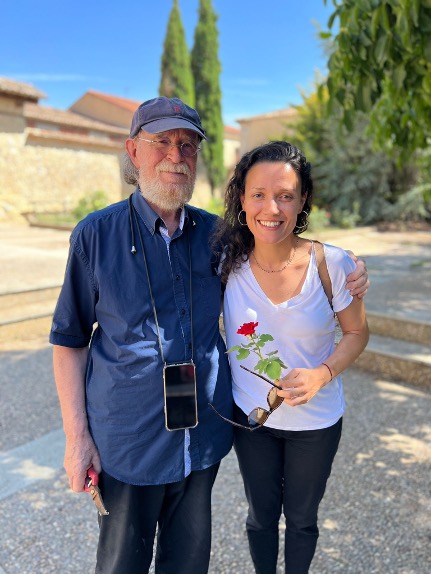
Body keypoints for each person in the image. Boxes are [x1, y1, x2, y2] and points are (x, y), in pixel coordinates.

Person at [50, 98, 368, 574]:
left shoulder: (218, 238)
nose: (176, 156)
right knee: (121, 565)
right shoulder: (95, 236)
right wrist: (77, 440)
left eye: (188, 145)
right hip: (127, 441)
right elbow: (69, 339)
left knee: (189, 565)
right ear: (133, 152)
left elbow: (279, 249)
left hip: (200, 442)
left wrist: (350, 272)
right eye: (162, 143)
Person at [211, 140, 369, 574]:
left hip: (316, 424)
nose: (272, 208)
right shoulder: (224, 261)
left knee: (301, 521)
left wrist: (323, 373)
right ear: (241, 199)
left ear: (302, 202)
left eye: (285, 196)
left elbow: (357, 332)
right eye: (258, 194)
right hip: (252, 419)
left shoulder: (332, 264)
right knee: (261, 518)